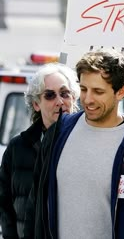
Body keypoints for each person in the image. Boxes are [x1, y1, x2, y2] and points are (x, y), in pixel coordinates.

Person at [24, 48, 124, 239]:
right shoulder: (58, 133)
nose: (88, 99)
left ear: (121, 91)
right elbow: (35, 206)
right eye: (83, 89)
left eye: (98, 91)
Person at [0, 62, 80, 239]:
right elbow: (5, 207)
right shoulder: (17, 148)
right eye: (50, 95)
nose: (59, 101)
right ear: (36, 104)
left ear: (73, 98)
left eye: (65, 93)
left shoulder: (87, 143)